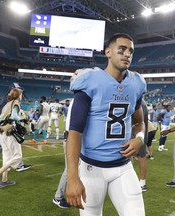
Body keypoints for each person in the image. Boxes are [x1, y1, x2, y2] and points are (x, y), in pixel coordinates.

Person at [65, 33, 146, 215]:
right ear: (108, 52)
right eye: (122, 49)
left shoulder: (136, 83)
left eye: (131, 51)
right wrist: (72, 177)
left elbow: (139, 122)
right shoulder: (90, 80)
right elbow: (74, 132)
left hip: (124, 167)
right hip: (91, 169)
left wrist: (139, 138)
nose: (127, 54)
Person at [0, 83, 31, 173]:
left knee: (4, 149)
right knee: (5, 147)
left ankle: (6, 170)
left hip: (2, 125)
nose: (21, 92)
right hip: (6, 126)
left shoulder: (8, 100)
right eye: (18, 90)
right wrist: (22, 119)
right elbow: (9, 115)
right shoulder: (12, 101)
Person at [0, 88, 25, 188]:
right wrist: (22, 118)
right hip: (9, 131)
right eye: (21, 94)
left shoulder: (7, 104)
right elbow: (14, 117)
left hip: (1, 131)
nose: (21, 96)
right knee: (17, 156)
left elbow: (1, 118)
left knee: (6, 156)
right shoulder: (16, 103)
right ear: (18, 95)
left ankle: (4, 180)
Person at [52, 99, 73, 209]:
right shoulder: (79, 101)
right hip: (72, 140)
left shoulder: (77, 100)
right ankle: (58, 197)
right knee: (70, 168)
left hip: (75, 139)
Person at [136, 99, 149, 192]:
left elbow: (139, 121)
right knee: (141, 157)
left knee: (141, 157)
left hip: (138, 134)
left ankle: (142, 183)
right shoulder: (142, 101)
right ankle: (142, 183)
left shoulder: (139, 102)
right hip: (140, 133)